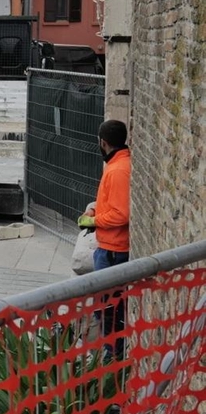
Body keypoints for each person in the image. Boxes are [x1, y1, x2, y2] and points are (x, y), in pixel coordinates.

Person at [82, 118, 131, 357]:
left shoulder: (118, 169)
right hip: (110, 248)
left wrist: (94, 221)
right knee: (106, 309)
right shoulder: (117, 165)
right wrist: (94, 209)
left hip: (114, 251)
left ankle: (113, 360)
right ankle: (111, 355)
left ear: (102, 142)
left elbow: (121, 214)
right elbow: (112, 203)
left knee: (109, 310)